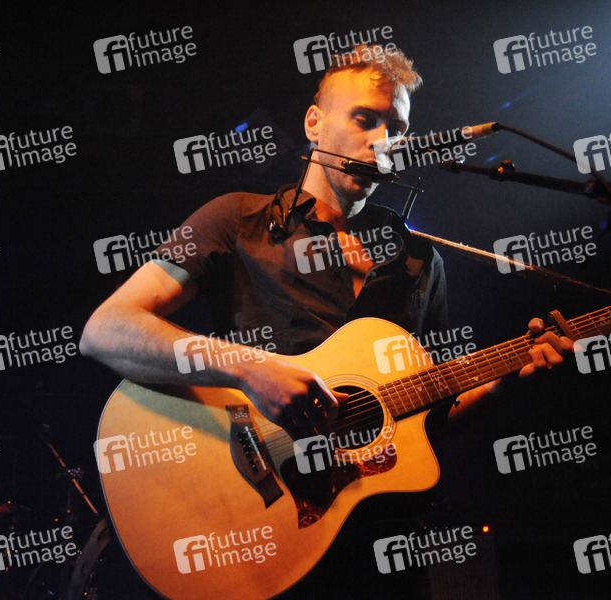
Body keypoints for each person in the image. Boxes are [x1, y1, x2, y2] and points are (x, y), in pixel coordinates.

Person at [79, 43, 573, 443]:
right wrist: (249, 368)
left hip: (371, 512)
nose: (383, 140)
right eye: (365, 119)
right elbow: (104, 330)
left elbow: (427, 421)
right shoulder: (238, 218)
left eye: (396, 128)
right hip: (255, 494)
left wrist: (503, 384)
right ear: (313, 123)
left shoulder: (420, 261)